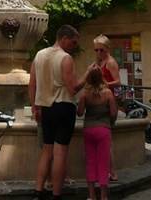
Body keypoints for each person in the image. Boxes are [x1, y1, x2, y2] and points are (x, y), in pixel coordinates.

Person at [29, 24, 90, 200]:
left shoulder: (39, 55)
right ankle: (56, 195)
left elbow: (32, 84)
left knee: (46, 151)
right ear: (63, 38)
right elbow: (72, 89)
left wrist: (34, 106)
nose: (74, 45)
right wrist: (86, 76)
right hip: (63, 106)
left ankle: (38, 192)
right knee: (60, 153)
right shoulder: (66, 58)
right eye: (73, 42)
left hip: (45, 108)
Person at [77, 68, 117, 200]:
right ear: (101, 77)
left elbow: (80, 112)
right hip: (103, 130)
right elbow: (113, 113)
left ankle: (92, 195)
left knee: (90, 162)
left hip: (89, 129)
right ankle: (104, 196)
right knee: (103, 162)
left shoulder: (84, 94)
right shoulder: (108, 93)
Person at [91, 34, 120, 182]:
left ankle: (113, 172)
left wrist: (103, 85)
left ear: (107, 49)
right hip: (100, 101)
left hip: (108, 101)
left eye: (101, 50)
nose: (98, 53)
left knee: (107, 140)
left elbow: (118, 82)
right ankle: (107, 170)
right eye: (96, 50)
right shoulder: (100, 61)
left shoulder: (110, 62)